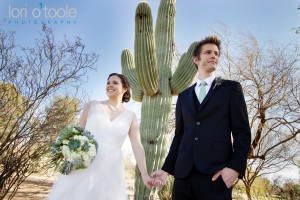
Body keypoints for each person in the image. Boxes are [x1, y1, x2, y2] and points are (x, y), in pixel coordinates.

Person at [151, 36, 251, 199]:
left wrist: (234, 168)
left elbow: (242, 133)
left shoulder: (231, 89)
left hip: (216, 174)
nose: (214, 56)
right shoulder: (183, 96)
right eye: (208, 52)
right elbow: (179, 136)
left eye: (217, 53)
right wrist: (166, 169)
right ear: (196, 59)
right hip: (183, 174)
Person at [48, 73, 154, 200]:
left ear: (125, 89)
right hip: (84, 163)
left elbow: (137, 146)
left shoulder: (131, 116)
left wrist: (144, 174)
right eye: (108, 82)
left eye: (115, 83)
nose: (110, 85)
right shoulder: (92, 106)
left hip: (111, 168)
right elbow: (76, 133)